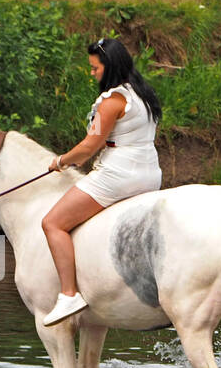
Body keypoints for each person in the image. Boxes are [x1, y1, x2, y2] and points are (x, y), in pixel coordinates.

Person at [40, 37, 164, 326]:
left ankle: (69, 294)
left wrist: (60, 161)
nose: (92, 73)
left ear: (109, 68)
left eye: (95, 68)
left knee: (53, 223)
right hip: (150, 174)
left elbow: (87, 149)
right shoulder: (143, 94)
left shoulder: (111, 102)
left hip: (119, 175)